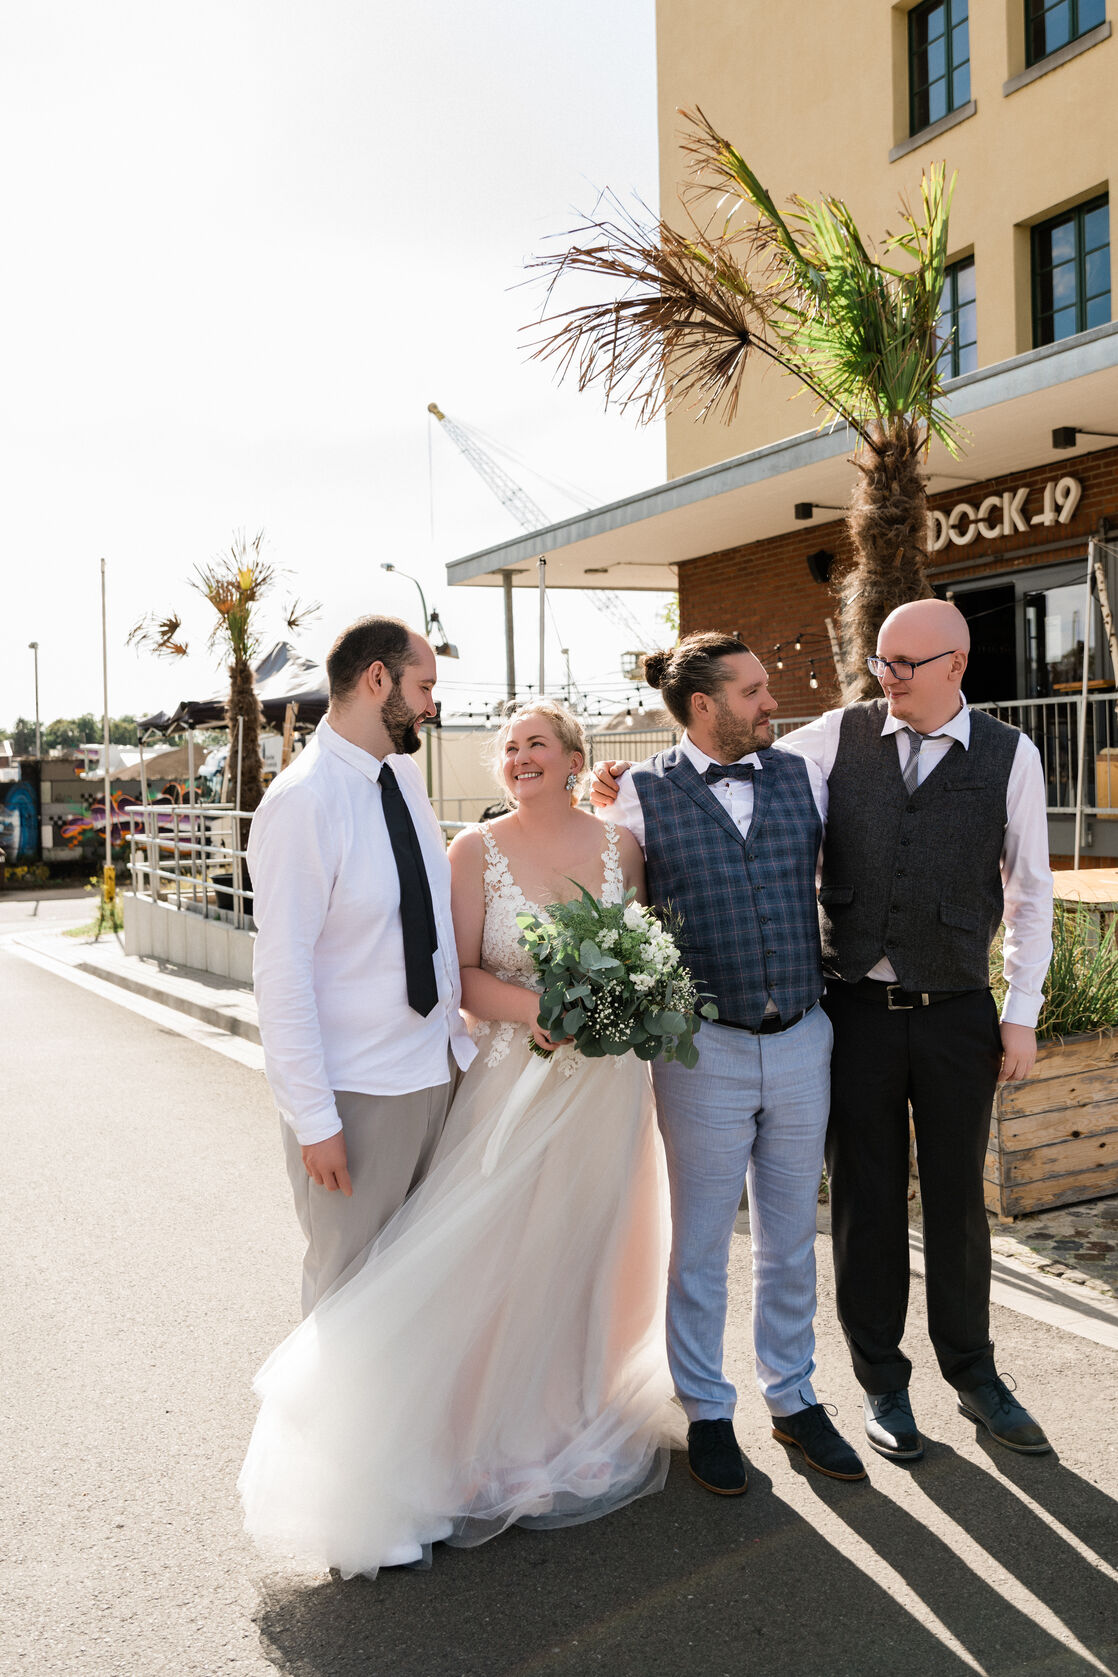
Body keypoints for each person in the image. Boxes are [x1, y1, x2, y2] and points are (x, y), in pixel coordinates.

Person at [239, 701, 675, 1578]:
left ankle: (575, 1419)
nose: (519, 757)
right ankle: (483, 1436)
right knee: (502, 1253)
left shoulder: (623, 846)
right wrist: (543, 1012)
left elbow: (643, 951)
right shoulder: (473, 852)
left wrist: (618, 1009)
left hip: (611, 1085)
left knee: (595, 1245)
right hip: (516, 1075)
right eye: (508, 747)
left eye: (536, 744)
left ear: (573, 758)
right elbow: (462, 974)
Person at [777, 599, 1053, 1461]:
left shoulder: (1013, 754)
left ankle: (973, 1371)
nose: (885, 675)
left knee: (957, 1203)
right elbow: (739, 776)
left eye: (903, 662)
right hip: (853, 1009)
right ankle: (881, 1380)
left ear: (955, 665)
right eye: (881, 660)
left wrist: (1020, 1016)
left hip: (958, 1015)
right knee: (863, 1199)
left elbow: (1031, 895)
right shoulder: (835, 734)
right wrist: (635, 785)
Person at [591, 632, 865, 1494]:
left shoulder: (803, 772)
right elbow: (599, 897)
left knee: (791, 1237)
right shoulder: (635, 794)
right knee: (701, 1241)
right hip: (700, 1047)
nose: (769, 701)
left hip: (802, 1036)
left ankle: (793, 1395)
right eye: (751, 690)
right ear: (703, 705)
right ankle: (707, 1406)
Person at [247, 614, 476, 1316]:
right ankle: (327, 1432)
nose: (435, 704)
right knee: (347, 1296)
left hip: (436, 1072)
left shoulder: (403, 776)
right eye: (425, 685)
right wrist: (315, 1119)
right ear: (378, 679)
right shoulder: (302, 802)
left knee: (418, 1294)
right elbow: (280, 977)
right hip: (358, 1094)